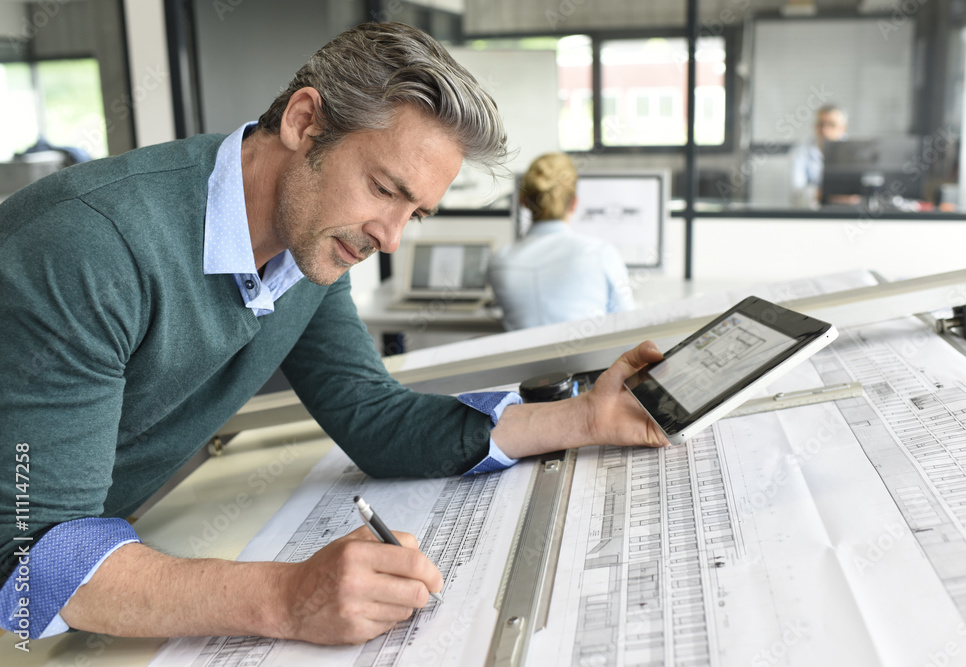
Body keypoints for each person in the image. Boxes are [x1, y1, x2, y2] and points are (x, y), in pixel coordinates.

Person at [0, 22, 666, 647]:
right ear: (303, 122)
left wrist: (581, 417)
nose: (391, 236)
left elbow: (370, 414)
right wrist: (288, 596)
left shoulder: (307, 252)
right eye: (383, 188)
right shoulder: (87, 250)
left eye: (416, 212)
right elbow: (28, 567)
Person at [488, 153, 635, 330]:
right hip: (589, 358)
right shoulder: (601, 253)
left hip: (521, 359)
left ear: (523, 202)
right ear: (574, 203)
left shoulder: (499, 260)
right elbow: (628, 325)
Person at [789, 104, 848, 208]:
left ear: (843, 129)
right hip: (814, 214)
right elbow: (797, 191)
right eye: (821, 124)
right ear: (815, 126)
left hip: (849, 212)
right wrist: (830, 195)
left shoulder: (853, 151)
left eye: (832, 125)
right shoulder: (800, 152)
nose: (825, 130)